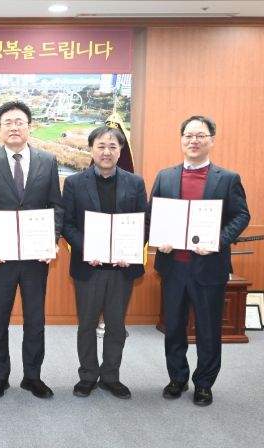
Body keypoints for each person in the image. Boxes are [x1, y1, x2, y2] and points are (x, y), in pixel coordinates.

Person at [150, 115, 249, 406]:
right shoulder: (165, 176)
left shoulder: (227, 178)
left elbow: (241, 215)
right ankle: (177, 378)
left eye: (200, 135)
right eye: (188, 136)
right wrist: (159, 237)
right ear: (181, 140)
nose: (194, 141)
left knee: (208, 329)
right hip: (174, 267)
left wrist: (217, 240)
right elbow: (153, 214)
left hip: (209, 268)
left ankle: (204, 384)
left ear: (211, 140)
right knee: (174, 327)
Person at [0, 101, 64, 399]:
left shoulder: (47, 161)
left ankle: (32, 377)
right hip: (0, 256)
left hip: (36, 256)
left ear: (29, 127)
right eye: (8, 122)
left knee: (35, 319)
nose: (14, 127)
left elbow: (56, 205)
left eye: (19, 122)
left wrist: (52, 240)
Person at [62, 126, 148, 399]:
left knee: (116, 325)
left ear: (121, 151)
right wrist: (87, 248)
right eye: (101, 146)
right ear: (91, 149)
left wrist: (131, 250)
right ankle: (87, 375)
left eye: (113, 146)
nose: (106, 152)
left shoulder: (135, 183)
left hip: (122, 268)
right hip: (90, 267)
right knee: (87, 324)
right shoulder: (74, 183)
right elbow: (67, 223)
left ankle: (111, 376)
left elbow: (144, 223)